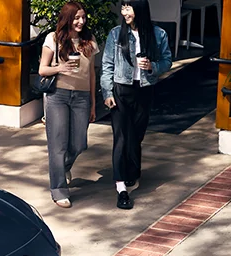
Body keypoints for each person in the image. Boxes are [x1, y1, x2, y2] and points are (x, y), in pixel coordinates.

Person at [99, 0, 172, 210]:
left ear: (139, 9)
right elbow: (107, 65)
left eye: (128, 7)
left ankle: (133, 170)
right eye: (123, 7)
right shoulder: (116, 34)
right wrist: (107, 92)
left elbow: (167, 61)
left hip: (144, 90)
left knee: (136, 136)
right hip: (121, 90)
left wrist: (152, 66)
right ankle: (121, 188)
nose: (124, 12)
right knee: (121, 138)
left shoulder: (158, 34)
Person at [39, 1, 97, 208]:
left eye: (83, 17)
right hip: (58, 96)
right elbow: (42, 70)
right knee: (58, 145)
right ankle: (59, 190)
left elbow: (91, 74)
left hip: (81, 97)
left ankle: (63, 167)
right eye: (76, 18)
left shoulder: (89, 40)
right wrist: (60, 68)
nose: (81, 21)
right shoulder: (53, 39)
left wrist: (93, 103)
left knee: (79, 143)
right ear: (67, 19)